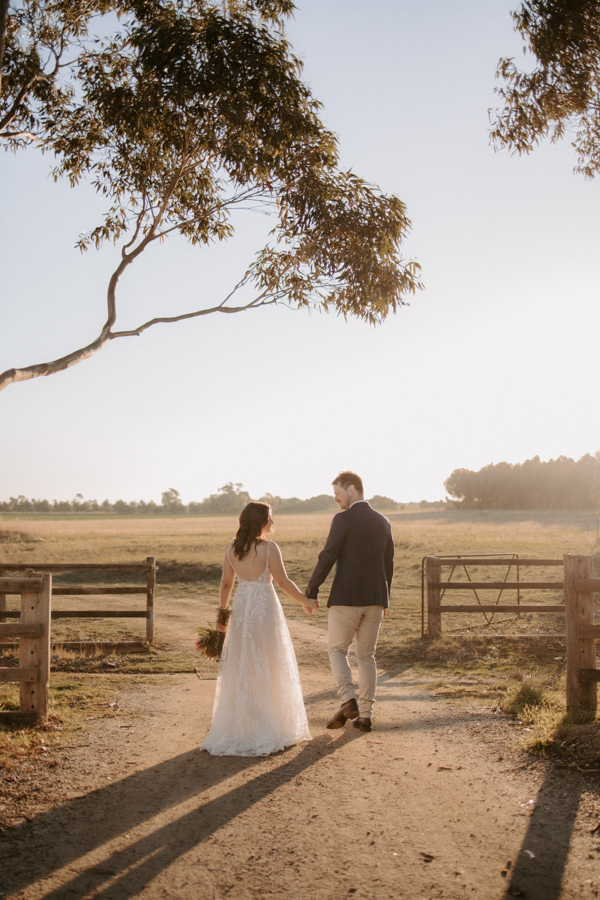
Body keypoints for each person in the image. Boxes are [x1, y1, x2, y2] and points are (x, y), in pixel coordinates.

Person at [201, 502, 318, 757]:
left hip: (243, 608)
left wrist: (223, 614)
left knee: (244, 661)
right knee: (270, 660)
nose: (273, 523)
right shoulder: (269, 548)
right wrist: (305, 601)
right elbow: (284, 582)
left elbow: (226, 584)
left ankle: (243, 725)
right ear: (259, 521)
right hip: (264, 608)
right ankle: (270, 723)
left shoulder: (232, 549)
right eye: (270, 519)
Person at [305, 472, 394, 734]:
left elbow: (328, 554)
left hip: (346, 599)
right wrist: (384, 599)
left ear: (352, 489)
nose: (335, 499)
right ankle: (365, 716)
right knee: (367, 656)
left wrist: (312, 590)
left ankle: (347, 699)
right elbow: (388, 563)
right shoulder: (383, 521)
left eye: (338, 493)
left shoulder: (343, 519)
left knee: (337, 651)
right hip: (376, 600)